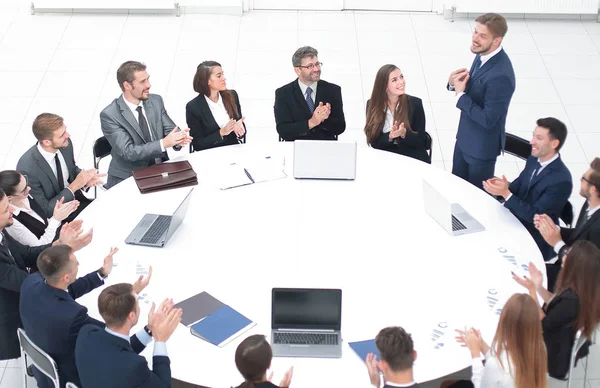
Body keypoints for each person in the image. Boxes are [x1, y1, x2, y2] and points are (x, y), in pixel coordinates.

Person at [0, 188, 92, 361]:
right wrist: (64, 253)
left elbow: (25, 254)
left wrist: (57, 244)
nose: (13, 210)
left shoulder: (1, 229)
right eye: (6, 210)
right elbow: (29, 284)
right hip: (13, 317)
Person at [19, 245, 122, 388]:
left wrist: (102, 272)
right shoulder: (73, 316)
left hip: (41, 359)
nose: (78, 264)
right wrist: (128, 299)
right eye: (76, 263)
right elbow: (111, 335)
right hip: (67, 376)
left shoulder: (31, 282)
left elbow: (65, 291)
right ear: (66, 277)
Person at [483, 118, 571, 260]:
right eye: (533, 136)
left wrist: (507, 194)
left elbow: (536, 217)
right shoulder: (535, 158)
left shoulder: (561, 181)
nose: (532, 142)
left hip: (533, 236)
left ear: (554, 143)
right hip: (514, 217)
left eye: (539, 138)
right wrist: (505, 187)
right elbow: (521, 183)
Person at [513, 240, 600, 379]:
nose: (563, 256)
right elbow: (555, 302)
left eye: (568, 254)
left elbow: (543, 324)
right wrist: (538, 287)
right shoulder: (583, 290)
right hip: (561, 340)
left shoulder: (572, 302)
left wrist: (532, 291)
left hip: (553, 355)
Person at [447, 13, 516, 190]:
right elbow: (475, 87)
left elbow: (488, 119)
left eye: (482, 35)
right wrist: (452, 83)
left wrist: (461, 96)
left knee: (474, 199)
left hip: (481, 150)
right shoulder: (482, 53)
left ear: (497, 41)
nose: (475, 39)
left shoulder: (502, 76)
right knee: (456, 188)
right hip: (464, 139)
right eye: (475, 32)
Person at [100, 61, 193, 188]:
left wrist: (178, 138)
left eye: (148, 79)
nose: (149, 85)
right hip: (129, 176)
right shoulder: (110, 115)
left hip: (159, 170)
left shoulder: (155, 101)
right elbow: (128, 152)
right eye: (142, 82)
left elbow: (169, 129)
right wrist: (163, 143)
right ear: (127, 85)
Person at [75, 284, 182, 388]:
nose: (139, 308)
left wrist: (150, 329)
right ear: (131, 316)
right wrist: (160, 340)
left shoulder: (87, 333)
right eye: (138, 305)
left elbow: (117, 350)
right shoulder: (134, 367)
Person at [446, 294, 548, 388]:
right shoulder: (539, 347)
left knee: (448, 384)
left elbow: (482, 385)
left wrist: (475, 353)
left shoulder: (497, 365)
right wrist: (481, 345)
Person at [16, 113, 104, 219]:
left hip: (77, 202)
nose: (68, 135)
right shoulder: (27, 168)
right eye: (62, 135)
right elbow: (46, 211)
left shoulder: (65, 144)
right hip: (58, 219)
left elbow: (71, 170)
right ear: (47, 142)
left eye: (65, 130)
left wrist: (85, 180)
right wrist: (74, 186)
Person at [534, 157, 600, 290]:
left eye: (584, 178)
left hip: (573, 284)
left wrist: (557, 243)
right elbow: (579, 234)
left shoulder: (598, 228)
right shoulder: (589, 204)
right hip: (563, 269)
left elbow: (586, 268)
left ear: (593, 189)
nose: (580, 180)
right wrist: (553, 227)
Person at [274, 46, 346, 141]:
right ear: (298, 70)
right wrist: (312, 122)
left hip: (327, 148)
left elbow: (340, 127)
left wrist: (324, 119)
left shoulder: (332, 90)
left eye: (317, 64)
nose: (316, 69)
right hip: (296, 148)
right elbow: (283, 130)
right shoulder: (283, 93)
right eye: (310, 66)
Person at [365, 64, 430, 163]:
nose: (401, 82)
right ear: (384, 86)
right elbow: (373, 141)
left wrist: (404, 134)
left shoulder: (415, 103)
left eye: (401, 77)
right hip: (386, 157)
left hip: (412, 157)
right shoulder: (372, 104)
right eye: (394, 80)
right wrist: (390, 137)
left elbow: (421, 141)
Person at [0, 170, 78, 246]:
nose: (29, 188)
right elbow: (38, 246)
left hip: (56, 237)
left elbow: (44, 224)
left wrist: (59, 214)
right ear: (9, 197)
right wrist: (56, 219)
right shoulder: (11, 221)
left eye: (26, 182)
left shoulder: (26, 197)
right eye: (24, 190)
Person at [186, 61, 246, 151]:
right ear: (207, 81)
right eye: (219, 76)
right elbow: (198, 144)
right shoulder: (194, 107)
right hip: (210, 153)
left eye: (223, 74)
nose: (224, 78)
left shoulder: (232, 95)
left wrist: (240, 129)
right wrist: (221, 133)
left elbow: (241, 130)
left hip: (233, 150)